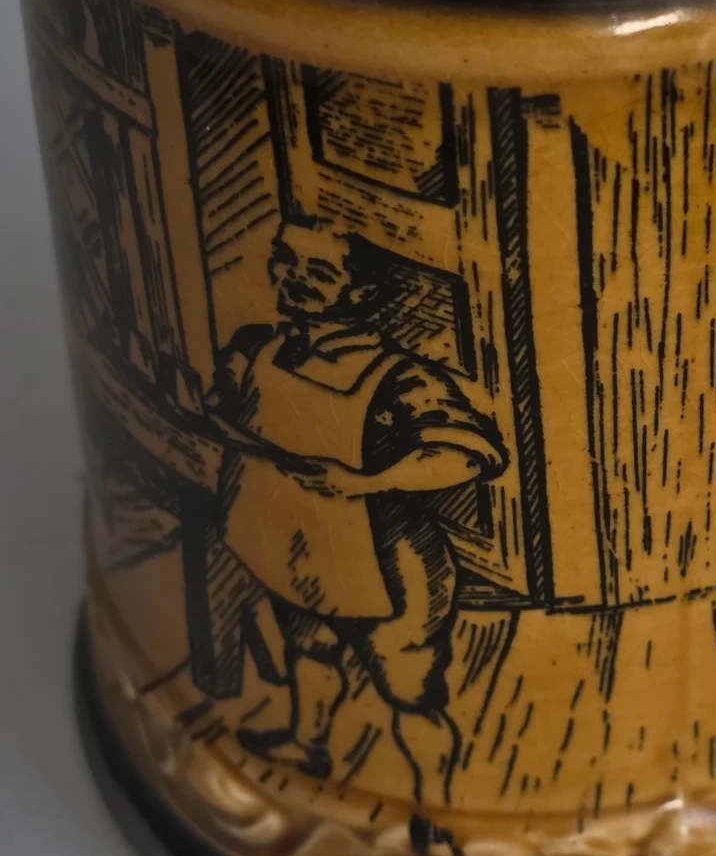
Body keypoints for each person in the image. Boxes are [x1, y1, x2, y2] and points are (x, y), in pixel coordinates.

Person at [206, 214, 508, 814]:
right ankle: (308, 746)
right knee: (307, 647)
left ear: (361, 294)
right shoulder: (261, 346)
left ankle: (438, 808)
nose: (294, 278)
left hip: (390, 567)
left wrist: (364, 480)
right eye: (286, 261)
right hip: (297, 545)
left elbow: (469, 453)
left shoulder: (397, 377)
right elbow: (229, 404)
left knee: (409, 689)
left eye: (319, 272)